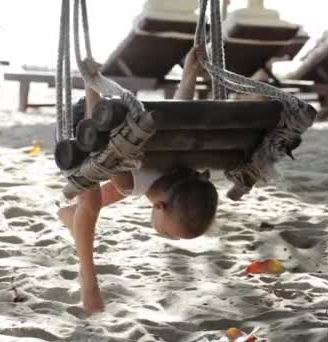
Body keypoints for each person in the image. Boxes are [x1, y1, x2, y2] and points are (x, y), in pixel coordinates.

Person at [58, 46, 218, 314]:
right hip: (88, 124)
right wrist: (91, 84)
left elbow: (179, 114)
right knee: (94, 203)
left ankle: (70, 215)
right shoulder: (127, 180)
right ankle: (88, 279)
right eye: (168, 232)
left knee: (128, 186)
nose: (166, 236)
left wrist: (190, 72)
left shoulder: (188, 163)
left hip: (127, 125)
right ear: (160, 207)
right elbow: (98, 147)